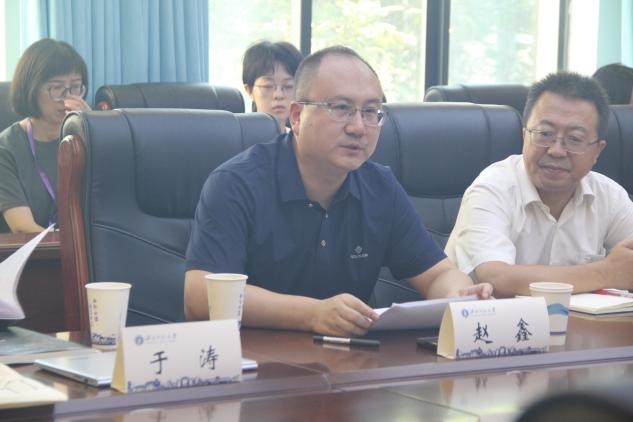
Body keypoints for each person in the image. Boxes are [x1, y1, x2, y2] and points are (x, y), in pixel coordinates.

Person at [185, 46, 492, 336]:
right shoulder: (236, 183)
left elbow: (437, 274)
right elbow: (201, 295)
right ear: (296, 116)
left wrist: (461, 295)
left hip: (351, 361)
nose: (358, 127)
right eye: (341, 108)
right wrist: (313, 314)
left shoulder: (380, 187)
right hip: (252, 361)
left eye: (371, 111)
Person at [445, 72, 633, 298]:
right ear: (524, 136)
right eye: (545, 134)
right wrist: (606, 272)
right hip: (493, 320)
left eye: (574, 139)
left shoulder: (610, 196)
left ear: (597, 151)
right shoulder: (492, 187)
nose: (556, 150)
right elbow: (496, 278)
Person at [0, 38, 91, 233]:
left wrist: (92, 130)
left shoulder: (90, 139)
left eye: (76, 87)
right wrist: (72, 246)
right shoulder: (6, 148)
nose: (68, 97)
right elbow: (22, 228)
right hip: (35, 250)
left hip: (91, 248)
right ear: (31, 90)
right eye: (57, 88)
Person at [242, 41, 303, 131]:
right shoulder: (237, 138)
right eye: (268, 86)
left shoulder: (302, 138)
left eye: (288, 86)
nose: (279, 95)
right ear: (249, 90)